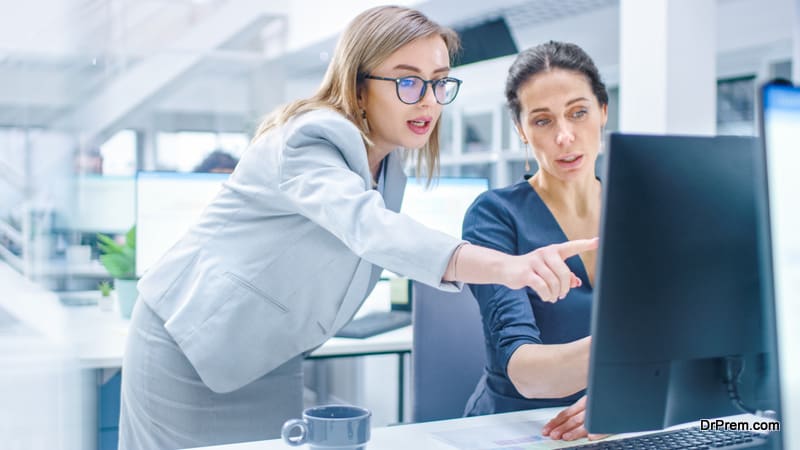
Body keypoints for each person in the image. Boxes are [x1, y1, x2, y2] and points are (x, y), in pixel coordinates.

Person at [118, 8, 596, 449]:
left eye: (438, 83)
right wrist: (506, 267)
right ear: (359, 84)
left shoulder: (388, 169)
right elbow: (371, 229)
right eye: (408, 83)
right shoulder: (312, 139)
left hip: (268, 354)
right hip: (187, 346)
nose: (428, 101)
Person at [462, 41, 608, 442]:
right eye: (543, 121)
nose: (565, 136)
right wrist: (635, 357)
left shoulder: (642, 209)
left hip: (614, 428)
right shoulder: (494, 215)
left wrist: (624, 401)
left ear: (603, 112)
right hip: (522, 429)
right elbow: (524, 371)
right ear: (522, 131)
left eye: (579, 113)